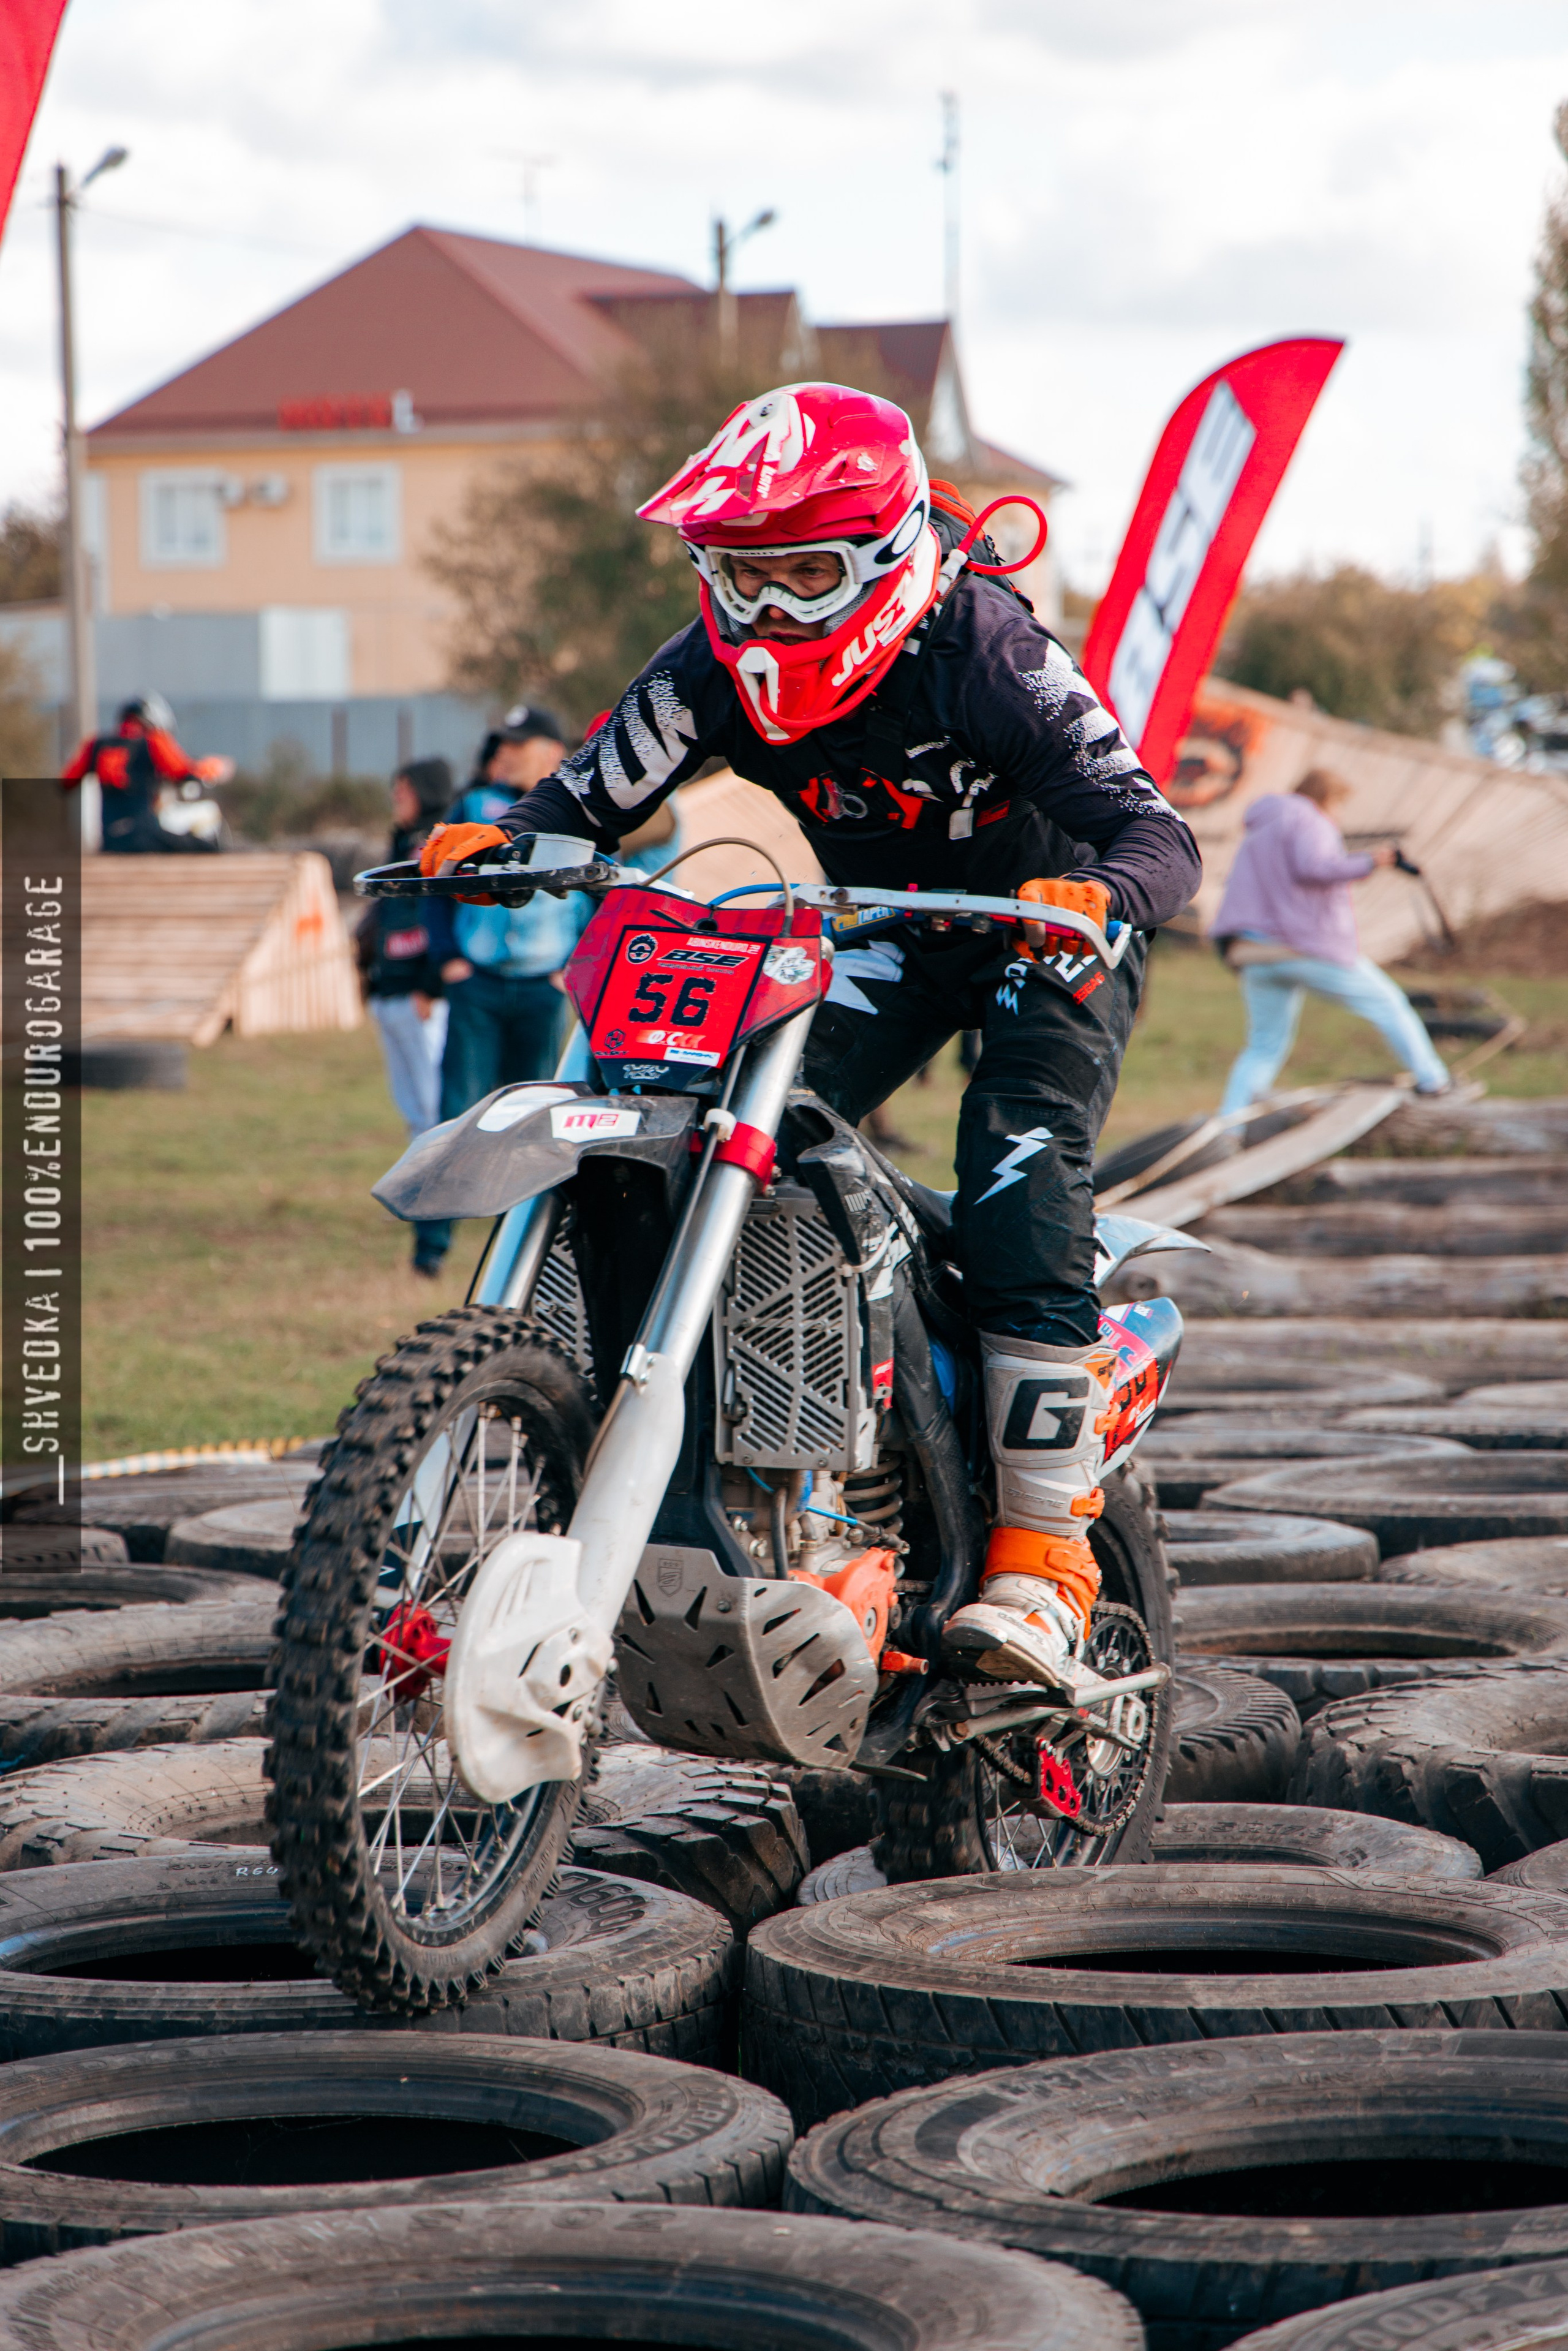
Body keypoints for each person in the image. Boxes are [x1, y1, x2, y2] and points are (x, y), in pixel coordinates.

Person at [421, 380, 1201, 1702]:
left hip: (1040, 929)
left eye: (804, 572)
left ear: (890, 555)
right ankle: (764, 1454)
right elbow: (588, 797)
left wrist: (1098, 897)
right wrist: (506, 841)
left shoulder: (986, 652)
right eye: (739, 574)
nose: (768, 608)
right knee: (724, 1123)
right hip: (882, 931)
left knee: (1019, 1168)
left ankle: (1041, 1554)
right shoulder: (709, 665)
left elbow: (1155, 833)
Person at [1211, 768, 1450, 1114]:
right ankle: (1434, 1081)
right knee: (1389, 1004)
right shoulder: (1310, 819)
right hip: (1303, 945)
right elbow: (1317, 867)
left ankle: (1231, 1125)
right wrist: (1372, 861)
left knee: (1263, 1046)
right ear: (1328, 798)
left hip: (1254, 949)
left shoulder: (1262, 824)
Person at [357, 756, 454, 1278]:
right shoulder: (400, 842)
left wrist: (429, 984)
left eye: (404, 790)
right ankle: (423, 1192)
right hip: (389, 990)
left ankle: (437, 1200)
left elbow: (434, 914)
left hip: (418, 994)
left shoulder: (431, 843)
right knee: (413, 1107)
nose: (397, 798)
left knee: (433, 1104)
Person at [61, 695, 232, 852]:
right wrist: (213, 767)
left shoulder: (96, 745)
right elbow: (184, 772)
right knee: (208, 846)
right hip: (144, 835)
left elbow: (66, 782)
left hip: (110, 840)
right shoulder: (153, 742)